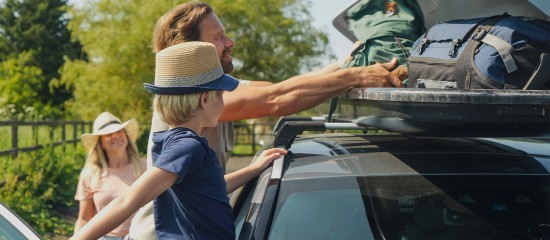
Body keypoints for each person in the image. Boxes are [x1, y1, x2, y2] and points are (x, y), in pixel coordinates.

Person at [130, 1, 404, 239]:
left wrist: (347, 65)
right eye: (219, 38)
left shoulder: (216, 88)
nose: (230, 43)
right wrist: (355, 77)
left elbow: (279, 87)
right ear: (191, 51)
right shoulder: (195, 98)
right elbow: (277, 100)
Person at [71, 41, 288, 240]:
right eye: (221, 94)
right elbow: (126, 202)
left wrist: (252, 170)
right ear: (205, 99)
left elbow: (209, 189)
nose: (224, 101)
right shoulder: (187, 147)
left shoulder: (174, 142)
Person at [74, 111, 146, 240]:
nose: (116, 136)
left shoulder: (146, 168)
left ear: (126, 136)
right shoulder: (90, 175)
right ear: (100, 142)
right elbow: (84, 218)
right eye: (108, 134)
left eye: (119, 131)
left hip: (140, 235)